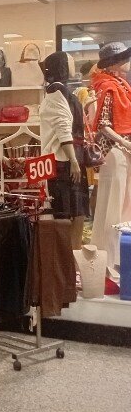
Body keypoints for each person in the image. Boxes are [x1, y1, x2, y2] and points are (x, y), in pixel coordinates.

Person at [88, 42, 131, 279]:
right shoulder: (107, 87)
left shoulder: (121, 85)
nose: (127, 62)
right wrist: (125, 142)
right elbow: (103, 125)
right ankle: (108, 260)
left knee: (124, 204)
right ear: (115, 63)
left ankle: (119, 259)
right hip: (115, 151)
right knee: (113, 204)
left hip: (124, 149)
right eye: (124, 58)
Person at [38, 51, 88, 248]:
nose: (73, 63)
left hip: (67, 158)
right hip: (64, 160)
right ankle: (67, 255)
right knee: (67, 210)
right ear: (62, 66)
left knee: (74, 209)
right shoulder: (57, 91)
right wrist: (74, 160)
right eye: (69, 60)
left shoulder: (58, 91)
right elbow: (62, 127)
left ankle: (71, 255)